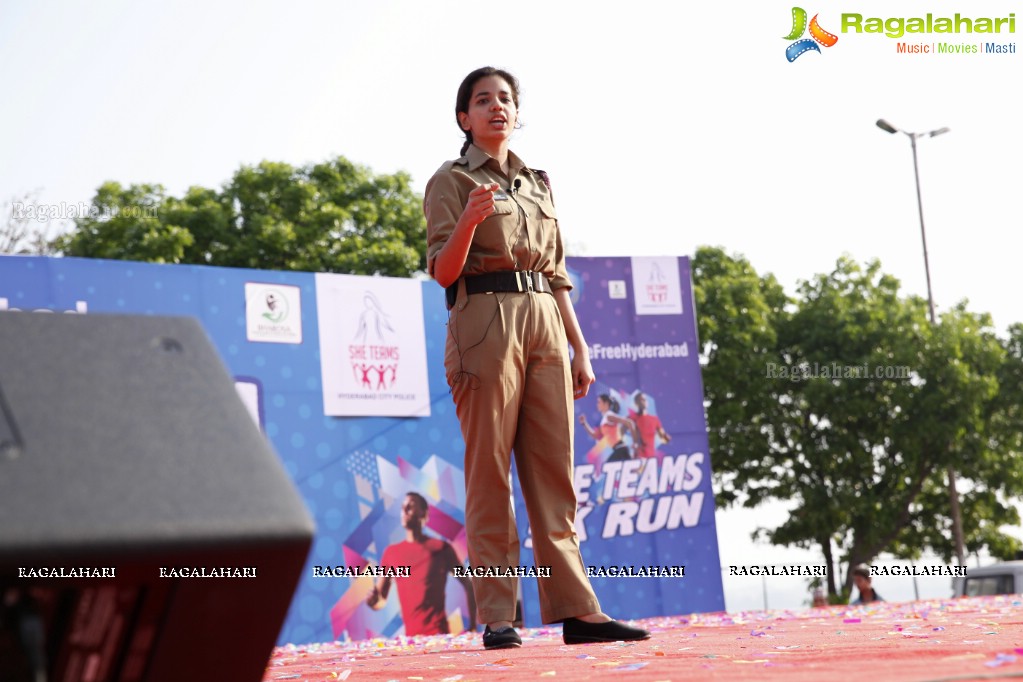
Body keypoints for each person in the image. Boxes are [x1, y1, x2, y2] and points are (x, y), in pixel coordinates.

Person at [423, 66, 650, 650]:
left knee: (553, 473)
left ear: (517, 113)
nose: (496, 107)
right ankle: (499, 615)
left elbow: (556, 273)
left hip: (546, 321)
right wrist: (470, 222)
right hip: (482, 322)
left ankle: (577, 609)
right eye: (482, 100)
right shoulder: (449, 182)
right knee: (489, 471)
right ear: (463, 118)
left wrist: (580, 345)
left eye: (505, 99)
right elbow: (443, 272)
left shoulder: (538, 183)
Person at [366, 492, 476, 636]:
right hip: (411, 641)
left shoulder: (441, 548)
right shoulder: (391, 553)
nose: (404, 511)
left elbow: (468, 584)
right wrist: (373, 601)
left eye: (410, 506)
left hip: (439, 637)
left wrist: (473, 626)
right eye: (402, 507)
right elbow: (381, 600)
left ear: (424, 513)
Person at [579, 394, 639, 466]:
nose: (597, 404)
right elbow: (595, 436)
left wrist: (635, 443)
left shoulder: (609, 416)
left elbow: (630, 423)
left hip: (621, 449)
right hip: (620, 450)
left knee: (607, 468)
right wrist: (584, 424)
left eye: (599, 402)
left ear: (606, 404)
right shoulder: (604, 420)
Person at [629, 392, 672, 460]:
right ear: (636, 403)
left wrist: (666, 438)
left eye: (644, 399)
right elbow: (620, 433)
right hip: (639, 457)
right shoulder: (631, 418)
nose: (643, 401)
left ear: (647, 402)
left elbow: (663, 437)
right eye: (641, 400)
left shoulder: (654, 419)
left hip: (651, 457)